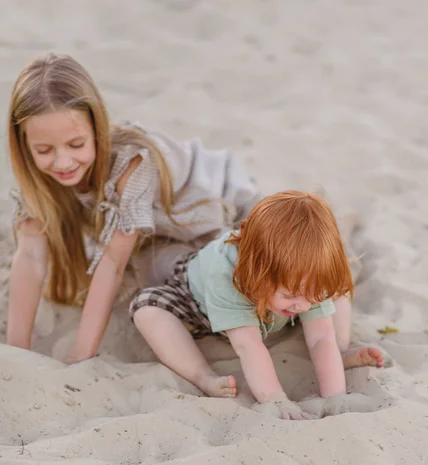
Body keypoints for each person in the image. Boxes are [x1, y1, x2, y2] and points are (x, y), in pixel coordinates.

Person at [7, 53, 261, 362]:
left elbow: (113, 262)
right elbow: (31, 256)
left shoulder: (132, 162)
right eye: (44, 150)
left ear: (97, 129)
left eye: (76, 145)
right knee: (163, 281)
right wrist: (16, 354)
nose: (62, 162)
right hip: (156, 237)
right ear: (24, 145)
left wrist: (79, 357)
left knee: (253, 276)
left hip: (216, 202)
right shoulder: (36, 175)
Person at [131, 191, 384, 420]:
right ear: (259, 272)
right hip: (200, 308)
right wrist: (276, 400)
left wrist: (334, 398)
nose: (304, 307)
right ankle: (203, 377)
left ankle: (340, 353)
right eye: (292, 295)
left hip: (271, 311)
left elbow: (321, 338)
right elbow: (248, 346)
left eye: (313, 298)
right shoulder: (225, 271)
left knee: (337, 291)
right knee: (147, 309)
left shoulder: (308, 280)